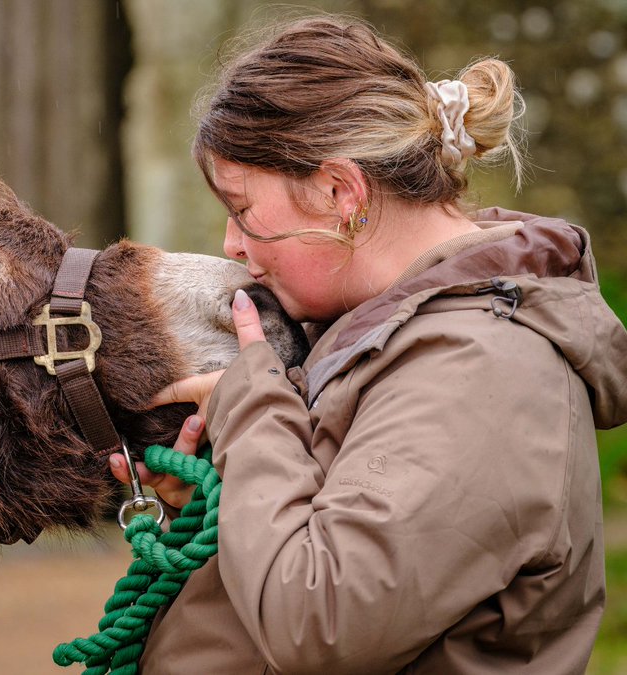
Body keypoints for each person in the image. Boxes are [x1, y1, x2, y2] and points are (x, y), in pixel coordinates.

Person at [109, 15, 627, 674]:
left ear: (338, 191)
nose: (232, 245)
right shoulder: (389, 330)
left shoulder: (485, 373)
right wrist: (224, 495)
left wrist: (249, 412)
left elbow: (318, 622)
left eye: (243, 210)